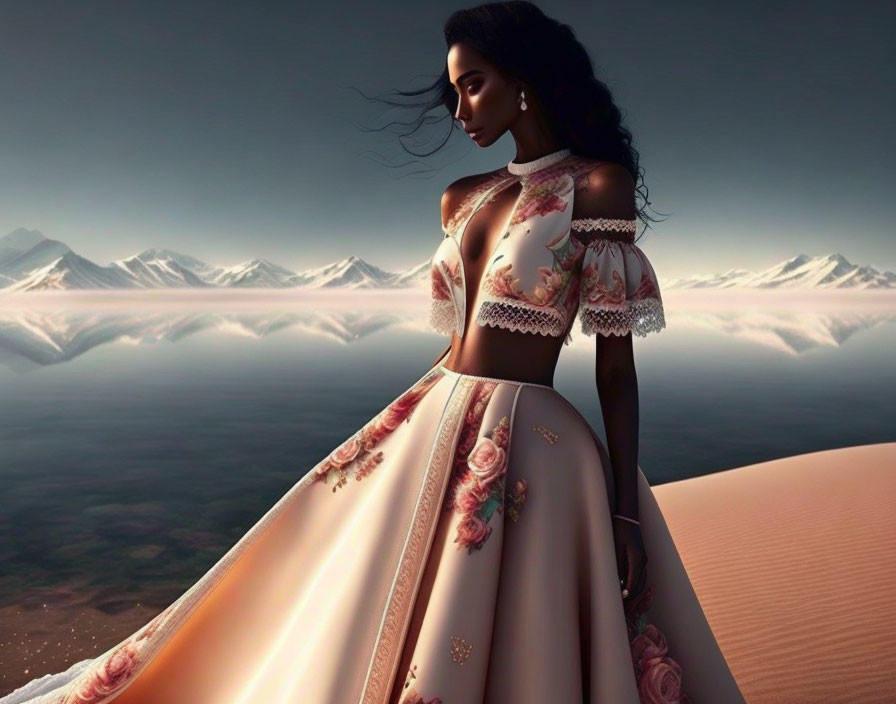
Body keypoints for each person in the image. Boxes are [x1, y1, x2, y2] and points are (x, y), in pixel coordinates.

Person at [1, 3, 745, 703]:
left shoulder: (597, 187)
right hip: (434, 415)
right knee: (323, 582)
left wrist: (624, 514)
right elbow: (459, 336)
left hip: (537, 444)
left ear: (525, 82)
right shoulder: (464, 197)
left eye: (473, 86)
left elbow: (616, 366)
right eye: (453, 91)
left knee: (514, 623)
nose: (459, 111)